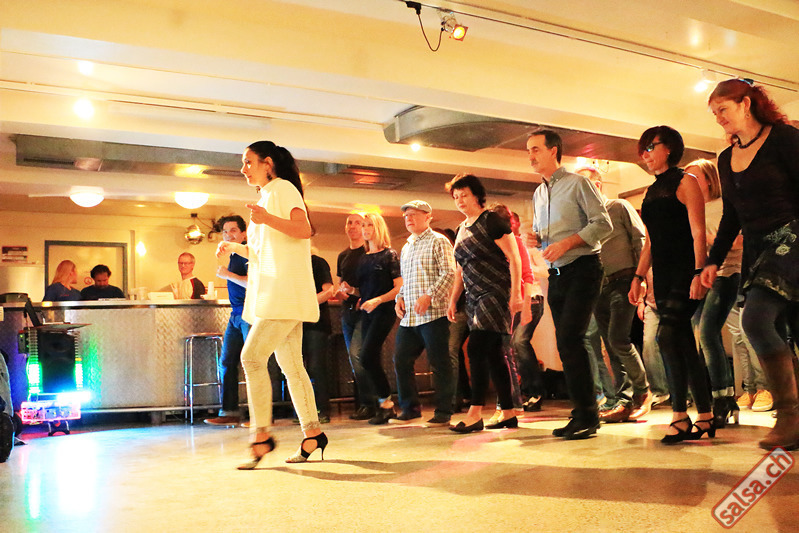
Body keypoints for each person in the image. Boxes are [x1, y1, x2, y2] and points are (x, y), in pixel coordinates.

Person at [702, 78, 799, 450]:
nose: (719, 118)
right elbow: (732, 215)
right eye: (714, 114)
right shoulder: (726, 158)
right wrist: (712, 261)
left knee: (755, 319)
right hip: (758, 249)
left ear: (746, 103)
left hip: (791, 238)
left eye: (723, 110)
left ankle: (788, 416)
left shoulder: (784, 139)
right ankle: (794, 419)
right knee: (787, 328)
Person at [219, 140, 325, 469]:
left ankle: (261, 436)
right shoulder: (265, 197)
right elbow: (264, 251)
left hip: (284, 295)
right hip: (276, 294)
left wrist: (265, 218)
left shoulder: (282, 189)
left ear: (268, 163)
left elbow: (303, 229)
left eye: (248, 162)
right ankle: (313, 434)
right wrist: (233, 247)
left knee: (251, 357)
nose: (243, 169)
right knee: (292, 367)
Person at [628, 125, 714, 444]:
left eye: (651, 147)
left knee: (665, 337)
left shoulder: (685, 180)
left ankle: (679, 415)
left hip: (685, 271)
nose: (646, 154)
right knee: (683, 343)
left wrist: (699, 272)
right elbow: (650, 241)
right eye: (643, 149)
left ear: (669, 148)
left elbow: (698, 231)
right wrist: (638, 277)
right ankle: (706, 415)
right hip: (662, 276)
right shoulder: (651, 190)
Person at [528, 130, 612, 439]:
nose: (531, 156)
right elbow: (545, 236)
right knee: (566, 343)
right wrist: (536, 238)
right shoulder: (538, 194)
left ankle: (588, 415)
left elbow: (603, 224)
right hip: (557, 274)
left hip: (584, 268)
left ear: (553, 151)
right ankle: (583, 413)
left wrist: (565, 244)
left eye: (536, 149)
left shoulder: (579, 184)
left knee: (571, 338)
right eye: (528, 150)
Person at [446, 174, 522, 433]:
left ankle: (475, 412)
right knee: (493, 354)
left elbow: (514, 257)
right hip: (473, 296)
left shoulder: (491, 220)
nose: (460, 201)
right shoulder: (461, 229)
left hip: (495, 291)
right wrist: (453, 299)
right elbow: (460, 269)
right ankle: (508, 413)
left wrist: (516, 294)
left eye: (464, 195)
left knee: (476, 347)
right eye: (456, 197)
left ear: (477, 195)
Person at [577, 167, 652, 424]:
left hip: (624, 279)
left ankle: (643, 392)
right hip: (600, 286)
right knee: (610, 345)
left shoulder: (619, 207)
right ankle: (623, 400)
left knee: (618, 338)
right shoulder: (586, 221)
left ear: (597, 186)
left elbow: (640, 241)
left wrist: (641, 279)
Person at [685, 159, 743, 427]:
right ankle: (724, 397)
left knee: (708, 333)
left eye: (694, 178)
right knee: (702, 335)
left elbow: (740, 241)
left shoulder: (723, 205)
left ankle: (722, 399)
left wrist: (706, 239)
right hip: (698, 277)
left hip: (726, 273)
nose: (689, 184)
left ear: (709, 180)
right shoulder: (689, 209)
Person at [393, 200, 456, 427]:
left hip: (433, 314)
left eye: (413, 214)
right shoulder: (406, 246)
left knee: (439, 362)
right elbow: (406, 280)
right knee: (401, 359)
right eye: (406, 216)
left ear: (428, 216)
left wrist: (429, 295)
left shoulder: (439, 241)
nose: (408, 219)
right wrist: (399, 298)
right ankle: (410, 408)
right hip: (410, 317)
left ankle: (444, 410)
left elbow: (449, 273)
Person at [341, 212, 403, 425]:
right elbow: (363, 290)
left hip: (384, 311)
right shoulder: (364, 258)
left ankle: (386, 404)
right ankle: (385, 405)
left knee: (366, 356)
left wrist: (378, 300)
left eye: (369, 225)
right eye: (364, 226)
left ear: (378, 228)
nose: (365, 229)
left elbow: (399, 287)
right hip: (367, 312)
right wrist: (352, 291)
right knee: (368, 358)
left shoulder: (389, 255)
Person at [205, 215, 250, 426]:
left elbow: (254, 283)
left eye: (233, 230)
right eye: (225, 231)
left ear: (243, 234)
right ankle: (229, 412)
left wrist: (227, 275)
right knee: (227, 362)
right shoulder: (234, 255)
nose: (228, 235)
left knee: (253, 363)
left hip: (249, 313)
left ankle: (260, 416)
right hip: (236, 315)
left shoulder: (248, 252)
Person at [335, 213, 375, 420]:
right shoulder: (342, 256)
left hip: (364, 311)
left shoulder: (368, 252)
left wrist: (358, 294)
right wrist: (341, 292)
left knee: (358, 355)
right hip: (347, 311)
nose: (352, 226)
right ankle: (365, 404)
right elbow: (341, 283)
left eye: (357, 223)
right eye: (349, 222)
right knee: (354, 359)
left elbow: (374, 285)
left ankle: (371, 403)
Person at [303, 250, 336, 423]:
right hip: (295, 324)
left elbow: (329, 291)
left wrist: (304, 304)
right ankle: (303, 412)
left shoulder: (317, 262)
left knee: (316, 367)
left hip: (316, 322)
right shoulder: (288, 263)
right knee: (297, 369)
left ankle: (323, 409)